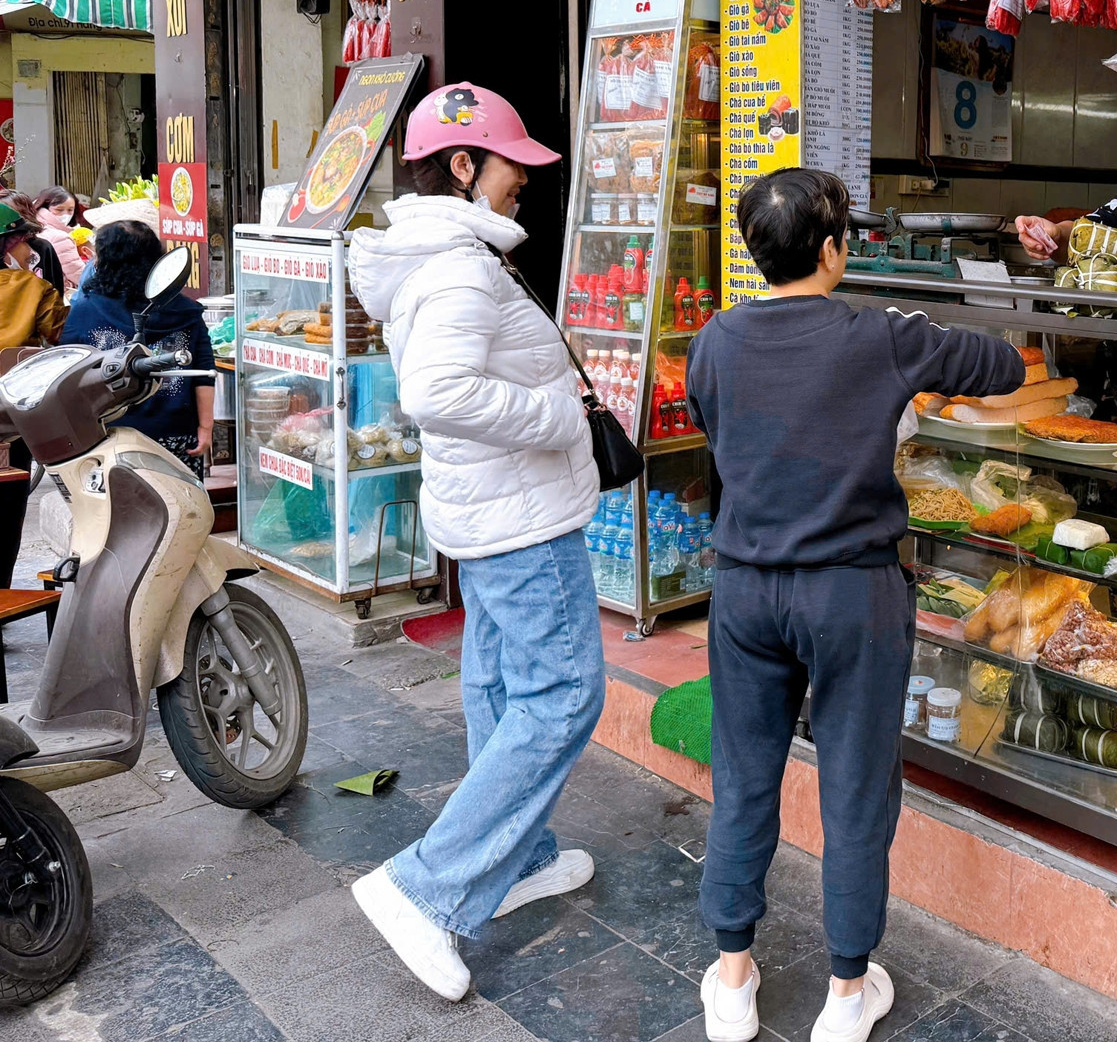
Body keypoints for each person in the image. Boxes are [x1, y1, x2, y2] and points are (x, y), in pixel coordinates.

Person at [686, 167, 1024, 1042]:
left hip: (745, 588)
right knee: (856, 787)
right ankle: (845, 993)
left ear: (756, 253)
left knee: (743, 777)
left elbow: (721, 434)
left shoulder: (715, 339)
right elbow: (1003, 364)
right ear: (836, 249)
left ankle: (732, 982)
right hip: (849, 593)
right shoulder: (879, 334)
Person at [346, 82, 605, 1003]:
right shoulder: (458, 266)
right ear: (462, 165)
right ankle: (429, 886)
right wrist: (558, 414)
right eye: (510, 164)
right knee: (564, 693)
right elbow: (439, 393)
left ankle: (517, 855)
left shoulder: (444, 254)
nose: (521, 181)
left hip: (490, 509)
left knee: (498, 682)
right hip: (520, 516)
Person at [58, 221, 215, 477]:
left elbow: (68, 370)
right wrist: (206, 428)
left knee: (120, 500)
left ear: (106, 259)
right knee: (180, 499)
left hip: (108, 435)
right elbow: (204, 371)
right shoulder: (185, 311)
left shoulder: (87, 309)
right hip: (175, 434)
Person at [0, 200, 65, 589]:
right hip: (10, 423)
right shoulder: (32, 288)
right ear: (9, 245)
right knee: (6, 517)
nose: (30, 251)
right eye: (25, 242)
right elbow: (62, 336)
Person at [31, 186, 85, 287]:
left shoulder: (32, 227)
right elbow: (79, 275)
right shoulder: (60, 237)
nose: (65, 215)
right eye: (59, 210)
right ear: (45, 208)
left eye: (70, 210)